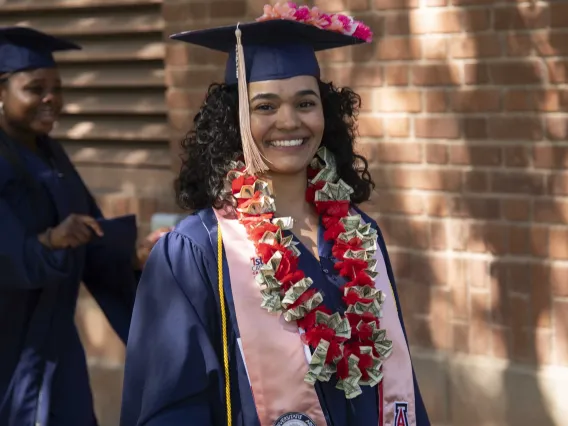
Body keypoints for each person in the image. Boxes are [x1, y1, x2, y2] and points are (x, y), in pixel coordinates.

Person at [120, 2, 430, 426]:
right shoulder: (196, 251)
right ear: (235, 121)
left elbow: (398, 380)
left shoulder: (360, 236)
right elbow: (172, 409)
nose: (289, 121)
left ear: (326, 113)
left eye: (305, 103)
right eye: (265, 106)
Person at [0, 26, 167, 426]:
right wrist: (49, 242)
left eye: (56, 88)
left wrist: (133, 254)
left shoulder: (52, 155)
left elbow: (91, 237)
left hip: (55, 343)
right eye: (35, 88)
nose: (51, 99)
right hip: (8, 344)